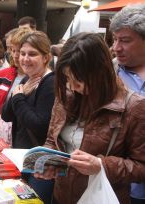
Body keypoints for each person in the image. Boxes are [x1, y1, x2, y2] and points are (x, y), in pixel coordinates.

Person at [34, 32, 145, 204]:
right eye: (67, 78)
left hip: (100, 197)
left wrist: (101, 165)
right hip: (61, 195)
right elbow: (52, 139)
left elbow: (141, 167)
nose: (72, 86)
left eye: (78, 79)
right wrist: (48, 162)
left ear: (100, 72)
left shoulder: (134, 106)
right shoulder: (67, 95)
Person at [1, 31, 55, 203]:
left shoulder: (50, 83)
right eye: (23, 53)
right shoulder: (27, 78)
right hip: (23, 159)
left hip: (40, 165)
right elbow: (6, 115)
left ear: (46, 57)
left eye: (32, 54)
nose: (25, 59)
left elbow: (39, 125)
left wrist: (18, 98)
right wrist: (19, 95)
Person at [109, 4, 145, 203]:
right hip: (117, 182)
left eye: (125, 40)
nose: (116, 47)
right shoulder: (106, 74)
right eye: (115, 39)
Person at [0, 27, 30, 144]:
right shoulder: (3, 74)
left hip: (22, 135)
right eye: (12, 50)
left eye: (20, 51)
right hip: (0, 131)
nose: (16, 55)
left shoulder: (35, 78)